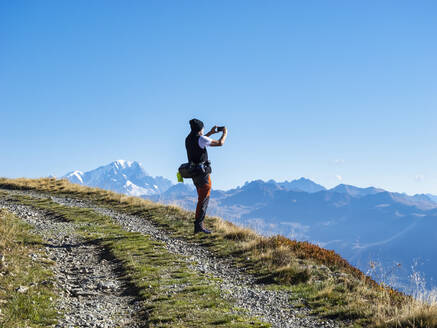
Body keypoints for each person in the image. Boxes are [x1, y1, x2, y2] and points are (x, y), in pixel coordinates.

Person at [185, 118, 227, 234]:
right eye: (203, 128)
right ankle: (199, 226)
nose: (204, 130)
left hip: (194, 173)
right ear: (200, 129)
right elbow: (220, 143)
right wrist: (224, 133)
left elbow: (201, 141)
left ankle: (199, 225)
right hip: (203, 174)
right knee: (203, 199)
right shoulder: (201, 139)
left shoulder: (188, 139)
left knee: (201, 198)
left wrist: (211, 133)